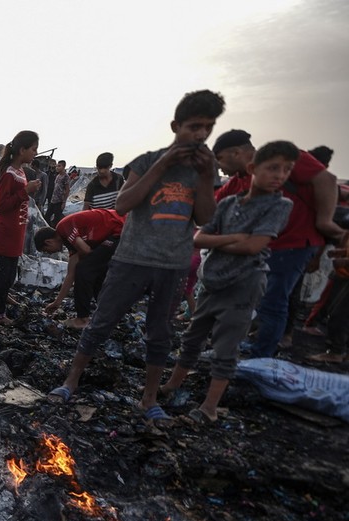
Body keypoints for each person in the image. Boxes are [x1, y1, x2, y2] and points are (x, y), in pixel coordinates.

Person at [48, 89, 225, 426]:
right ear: (176, 126)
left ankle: (148, 398)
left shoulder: (206, 168)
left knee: (160, 333)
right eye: (194, 127)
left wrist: (204, 177)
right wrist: (163, 164)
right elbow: (123, 204)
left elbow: (204, 216)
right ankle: (71, 381)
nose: (200, 135)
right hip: (132, 259)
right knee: (102, 321)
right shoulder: (146, 161)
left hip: (172, 264)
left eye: (208, 128)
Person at [160, 141, 296, 423]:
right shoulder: (230, 203)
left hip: (243, 283)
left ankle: (209, 406)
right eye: (273, 168)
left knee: (226, 347)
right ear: (252, 169)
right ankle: (172, 385)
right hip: (212, 280)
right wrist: (234, 239)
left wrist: (223, 242)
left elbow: (254, 247)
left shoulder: (280, 205)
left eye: (286, 170)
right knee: (193, 338)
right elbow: (199, 238)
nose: (280, 175)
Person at [213, 129, 345, 358]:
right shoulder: (237, 183)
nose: (219, 168)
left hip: (294, 243)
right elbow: (210, 211)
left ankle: (262, 355)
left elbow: (327, 179)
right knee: (259, 299)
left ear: (236, 153)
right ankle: (253, 344)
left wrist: (324, 219)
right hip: (266, 249)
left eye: (220, 160)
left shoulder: (282, 158)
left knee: (274, 301)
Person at [0, 131, 42, 327]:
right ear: (22, 150)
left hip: (15, 234)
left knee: (7, 279)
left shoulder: (20, 172)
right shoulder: (10, 174)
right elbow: (0, 206)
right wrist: (25, 192)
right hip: (5, 235)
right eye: (33, 149)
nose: (35, 153)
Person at [36, 209, 126, 329]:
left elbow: (85, 250)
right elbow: (70, 275)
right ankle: (109, 314)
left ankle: (82, 319)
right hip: (116, 233)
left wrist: (83, 260)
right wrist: (57, 302)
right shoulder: (70, 243)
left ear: (48, 242)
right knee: (96, 274)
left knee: (84, 270)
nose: (50, 254)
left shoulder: (63, 227)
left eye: (46, 251)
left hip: (120, 229)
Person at [45, 160, 71, 226]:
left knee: (56, 220)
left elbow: (67, 190)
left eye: (59, 166)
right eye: (57, 166)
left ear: (64, 167)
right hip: (53, 200)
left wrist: (64, 202)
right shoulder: (58, 176)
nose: (57, 167)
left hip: (59, 201)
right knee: (47, 217)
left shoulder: (66, 177)